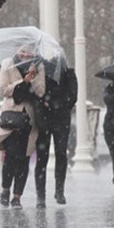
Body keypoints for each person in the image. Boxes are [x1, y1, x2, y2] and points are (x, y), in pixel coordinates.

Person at [0, 45, 46, 209]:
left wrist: (33, 78)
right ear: (17, 51)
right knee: (10, 156)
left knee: (24, 158)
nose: (25, 55)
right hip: (12, 116)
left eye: (29, 52)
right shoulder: (7, 64)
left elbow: (40, 91)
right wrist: (22, 81)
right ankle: (5, 190)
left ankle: (17, 197)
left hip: (29, 119)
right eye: (22, 51)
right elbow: (3, 90)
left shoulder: (38, 66)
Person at [33, 59, 78, 208]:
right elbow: (37, 96)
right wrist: (45, 103)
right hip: (44, 119)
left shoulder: (69, 74)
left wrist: (54, 103)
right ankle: (41, 196)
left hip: (61, 119)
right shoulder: (41, 72)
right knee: (42, 157)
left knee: (61, 153)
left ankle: (59, 191)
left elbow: (73, 97)